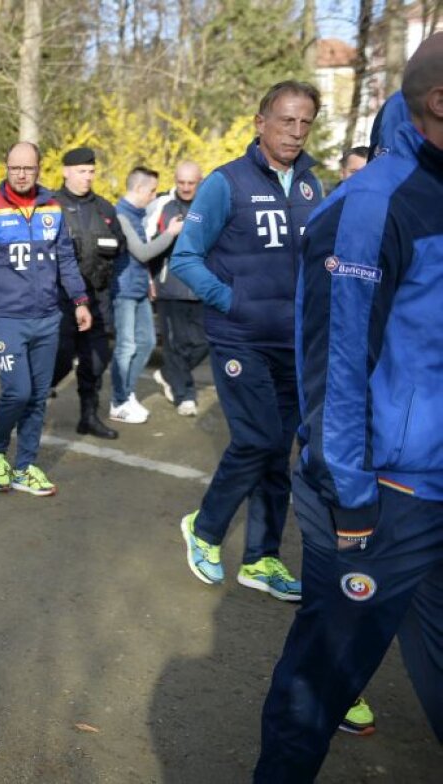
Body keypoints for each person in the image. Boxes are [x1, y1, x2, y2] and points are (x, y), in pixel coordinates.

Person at [255, 34, 443, 779]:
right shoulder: (371, 205)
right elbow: (335, 372)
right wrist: (354, 503)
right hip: (385, 499)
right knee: (319, 684)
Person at [171, 80, 324, 602]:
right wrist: (231, 301)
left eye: (305, 123)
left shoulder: (312, 187)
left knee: (278, 450)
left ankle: (261, 558)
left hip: (291, 343)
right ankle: (204, 528)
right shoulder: (225, 183)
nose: (296, 132)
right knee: (256, 439)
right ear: (261, 123)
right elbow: (185, 257)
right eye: (286, 120)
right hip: (240, 338)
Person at [0, 141, 93, 496]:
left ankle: (24, 466)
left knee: (37, 396)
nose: (21, 174)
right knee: (17, 392)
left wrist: (80, 300)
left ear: (38, 169)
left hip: (48, 317)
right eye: (15, 168)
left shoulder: (53, 208)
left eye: (28, 168)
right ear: (7, 168)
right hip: (6, 318)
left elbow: (66, 259)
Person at [50, 147, 123, 440]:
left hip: (97, 298)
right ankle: (31, 396)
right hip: (61, 299)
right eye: (81, 171)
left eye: (91, 172)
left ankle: (88, 417)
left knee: (97, 359)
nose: (87, 177)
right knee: (60, 357)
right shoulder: (50, 206)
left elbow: (119, 249)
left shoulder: (105, 209)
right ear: (66, 172)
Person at [109, 166, 184, 425]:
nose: (154, 196)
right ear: (139, 189)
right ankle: (118, 401)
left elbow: (138, 259)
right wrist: (170, 233)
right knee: (126, 347)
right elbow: (141, 252)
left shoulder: (136, 214)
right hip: (124, 292)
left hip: (139, 288)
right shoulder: (121, 216)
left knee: (147, 343)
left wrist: (149, 279)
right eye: (151, 191)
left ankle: (126, 394)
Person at [152, 161, 208, 417]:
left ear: (200, 181)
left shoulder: (211, 207)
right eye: (181, 182)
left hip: (202, 287)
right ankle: (185, 396)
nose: (185, 188)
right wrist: (170, 233)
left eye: (191, 183)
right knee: (175, 345)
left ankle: (168, 374)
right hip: (170, 287)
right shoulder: (162, 206)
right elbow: (148, 244)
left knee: (204, 342)